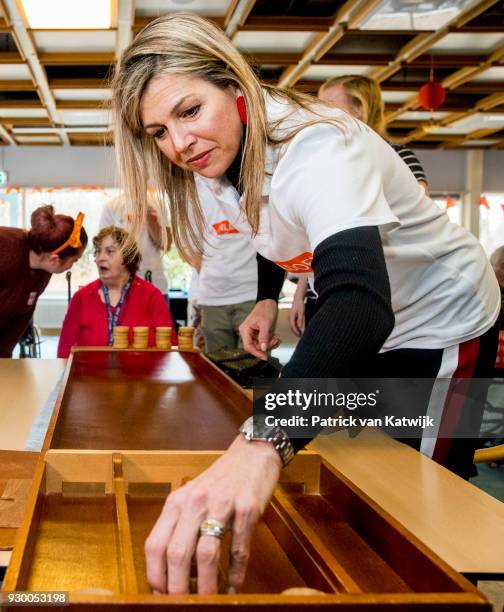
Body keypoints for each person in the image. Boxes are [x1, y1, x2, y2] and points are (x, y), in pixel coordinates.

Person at [112, 12, 500, 595]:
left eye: (189, 111)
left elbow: (361, 305)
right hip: (372, 318)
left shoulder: (320, 146)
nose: (178, 143)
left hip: (441, 321)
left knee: (424, 496)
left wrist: (262, 441)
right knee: (359, 464)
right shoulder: (213, 156)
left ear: (236, 89)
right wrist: (268, 298)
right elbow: (271, 224)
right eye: (158, 132)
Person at [289, 74, 430, 337]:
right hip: (321, 290)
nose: (318, 113)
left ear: (360, 109)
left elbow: (416, 220)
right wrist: (301, 291)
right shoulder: (326, 165)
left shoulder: (398, 156)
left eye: (329, 104)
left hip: (377, 291)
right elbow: (314, 237)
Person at [57, 226, 175, 357]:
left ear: (127, 257)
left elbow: (171, 348)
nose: (100, 258)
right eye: (97, 251)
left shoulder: (152, 296)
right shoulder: (81, 298)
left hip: (141, 376)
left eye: (109, 251)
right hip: (91, 377)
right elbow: (64, 353)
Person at [0, 205, 87, 357]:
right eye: (74, 260)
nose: (72, 266)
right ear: (54, 259)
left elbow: (23, 313)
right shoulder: (6, 248)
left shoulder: (42, 272)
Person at [197, 190, 258, 353]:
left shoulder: (249, 184)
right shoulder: (195, 191)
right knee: (217, 371)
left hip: (253, 295)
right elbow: (193, 249)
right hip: (212, 298)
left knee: (254, 367)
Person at [99, 193, 172, 298]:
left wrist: (147, 215)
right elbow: (104, 248)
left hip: (156, 284)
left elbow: (166, 245)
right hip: (122, 288)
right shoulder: (112, 206)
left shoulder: (157, 203)